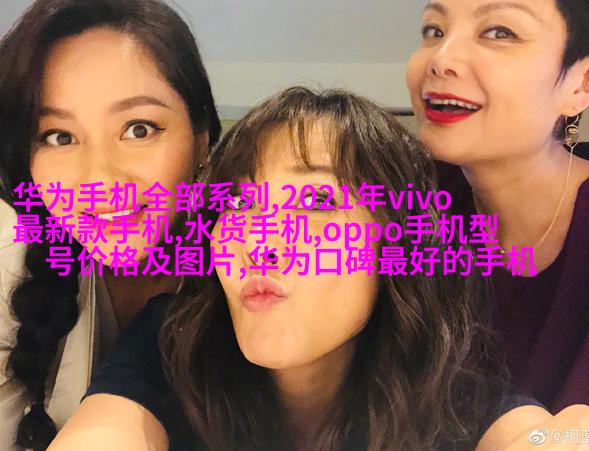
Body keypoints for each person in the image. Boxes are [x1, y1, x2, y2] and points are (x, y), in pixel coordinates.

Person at [49, 87, 557, 451]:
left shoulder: (448, 386)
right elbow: (104, 431)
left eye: (315, 202)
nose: (259, 242)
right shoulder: (173, 342)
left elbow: (535, 435)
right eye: (239, 202)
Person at [0, 0, 220, 449]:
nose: (99, 181)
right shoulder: (12, 269)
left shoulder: (259, 267)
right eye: (59, 136)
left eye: (138, 129)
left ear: (201, 140)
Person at [406, 0, 589, 412]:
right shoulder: (407, 203)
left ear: (582, 84)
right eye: (434, 31)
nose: (441, 59)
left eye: (500, 33)